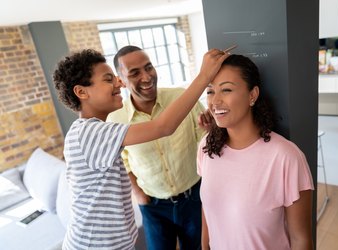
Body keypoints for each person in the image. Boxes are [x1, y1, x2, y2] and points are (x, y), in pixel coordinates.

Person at [52, 48, 228, 250]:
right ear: (82, 92)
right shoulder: (88, 133)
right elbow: (163, 127)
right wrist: (205, 75)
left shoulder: (95, 131)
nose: (119, 83)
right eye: (109, 79)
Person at [197, 54, 314, 250]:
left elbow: (301, 240)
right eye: (210, 91)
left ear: (252, 95)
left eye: (226, 89)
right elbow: (207, 210)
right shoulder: (206, 147)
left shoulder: (286, 157)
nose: (215, 101)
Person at [106, 45, 207, 250]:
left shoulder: (182, 98)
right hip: (153, 206)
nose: (146, 77)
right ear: (121, 81)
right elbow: (121, 163)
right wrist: (139, 195)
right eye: (134, 73)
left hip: (194, 197)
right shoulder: (115, 120)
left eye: (148, 67)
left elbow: (206, 140)